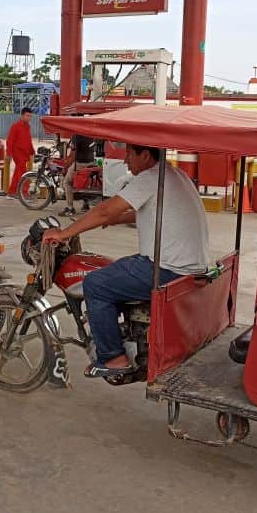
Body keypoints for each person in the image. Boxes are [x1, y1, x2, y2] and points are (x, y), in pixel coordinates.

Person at [43, 144, 209, 377]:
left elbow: (104, 210)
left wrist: (63, 234)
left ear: (145, 155)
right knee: (116, 268)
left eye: (130, 154)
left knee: (95, 283)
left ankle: (113, 357)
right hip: (188, 267)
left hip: (167, 269)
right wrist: (117, 220)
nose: (126, 160)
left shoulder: (150, 178)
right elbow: (150, 211)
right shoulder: (175, 175)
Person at [59, 134, 96, 217]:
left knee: (67, 182)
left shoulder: (77, 136)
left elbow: (73, 154)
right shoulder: (90, 134)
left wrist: (65, 167)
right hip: (91, 162)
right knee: (84, 183)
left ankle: (70, 209)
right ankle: (85, 204)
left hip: (81, 163)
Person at [5, 107, 35, 198]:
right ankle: (24, 193)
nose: (29, 118)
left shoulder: (27, 127)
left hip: (24, 153)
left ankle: (11, 192)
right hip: (17, 153)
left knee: (18, 173)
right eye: (27, 116)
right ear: (22, 116)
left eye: (30, 116)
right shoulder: (15, 126)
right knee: (23, 173)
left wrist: (32, 151)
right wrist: (9, 154)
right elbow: (9, 141)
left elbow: (28, 140)